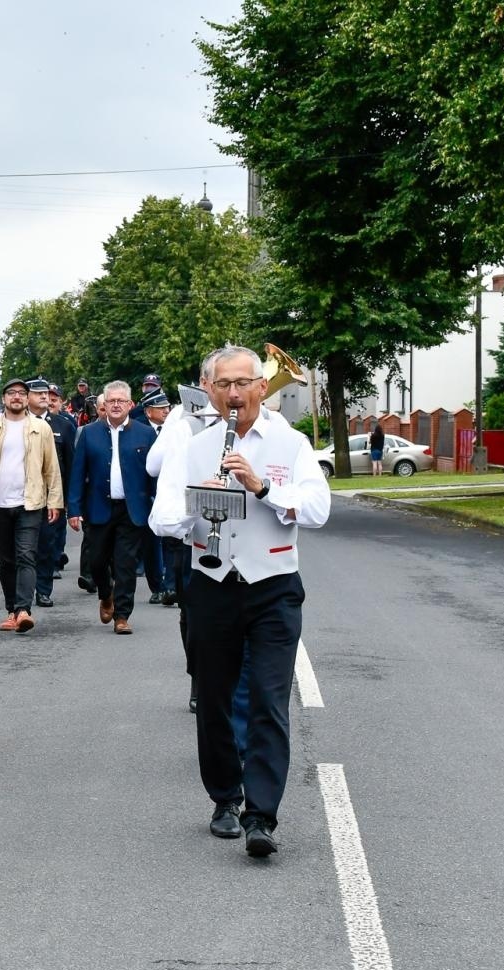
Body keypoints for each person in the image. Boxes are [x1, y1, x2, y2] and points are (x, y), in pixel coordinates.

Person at [149, 345, 331, 858]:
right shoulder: (193, 445)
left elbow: (317, 508)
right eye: (223, 385)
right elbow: (160, 520)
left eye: (243, 383)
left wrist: (263, 486)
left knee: (270, 701)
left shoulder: (288, 441)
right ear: (207, 389)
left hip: (273, 585)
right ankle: (225, 797)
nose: (234, 394)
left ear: (261, 387)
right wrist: (195, 502)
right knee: (214, 696)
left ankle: (262, 816)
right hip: (211, 584)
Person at [0, 379, 63, 633]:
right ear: (3, 399)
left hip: (30, 502)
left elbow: (51, 468)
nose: (17, 397)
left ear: (27, 399)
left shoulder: (40, 428)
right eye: (11, 393)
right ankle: (12, 609)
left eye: (22, 394)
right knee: (7, 559)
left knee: (26, 555)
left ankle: (23, 610)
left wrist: (54, 500)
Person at [67, 381, 156, 635]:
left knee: (126, 564)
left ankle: (122, 615)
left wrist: (155, 504)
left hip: (132, 509)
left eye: (121, 401)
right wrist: (73, 509)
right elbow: (77, 473)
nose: (116, 405)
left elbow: (153, 475)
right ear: (103, 405)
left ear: (130, 405)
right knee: (97, 562)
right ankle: (106, 595)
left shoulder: (145, 434)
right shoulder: (89, 433)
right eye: (111, 401)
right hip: (98, 508)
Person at [31, 378, 77, 608]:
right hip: (22, 495)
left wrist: (70, 501)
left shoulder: (63, 425)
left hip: (52, 496)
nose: (44, 397)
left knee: (47, 546)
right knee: (22, 548)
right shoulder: (16, 424)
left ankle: (43, 590)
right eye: (37, 392)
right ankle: (22, 592)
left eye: (47, 393)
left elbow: (70, 465)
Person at [139, 390, 172, 604]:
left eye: (167, 408)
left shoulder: (173, 430)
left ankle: (171, 586)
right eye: (162, 409)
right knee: (151, 544)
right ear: (149, 412)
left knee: (171, 541)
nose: (167, 412)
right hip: (148, 494)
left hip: (169, 492)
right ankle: (157, 586)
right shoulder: (141, 431)